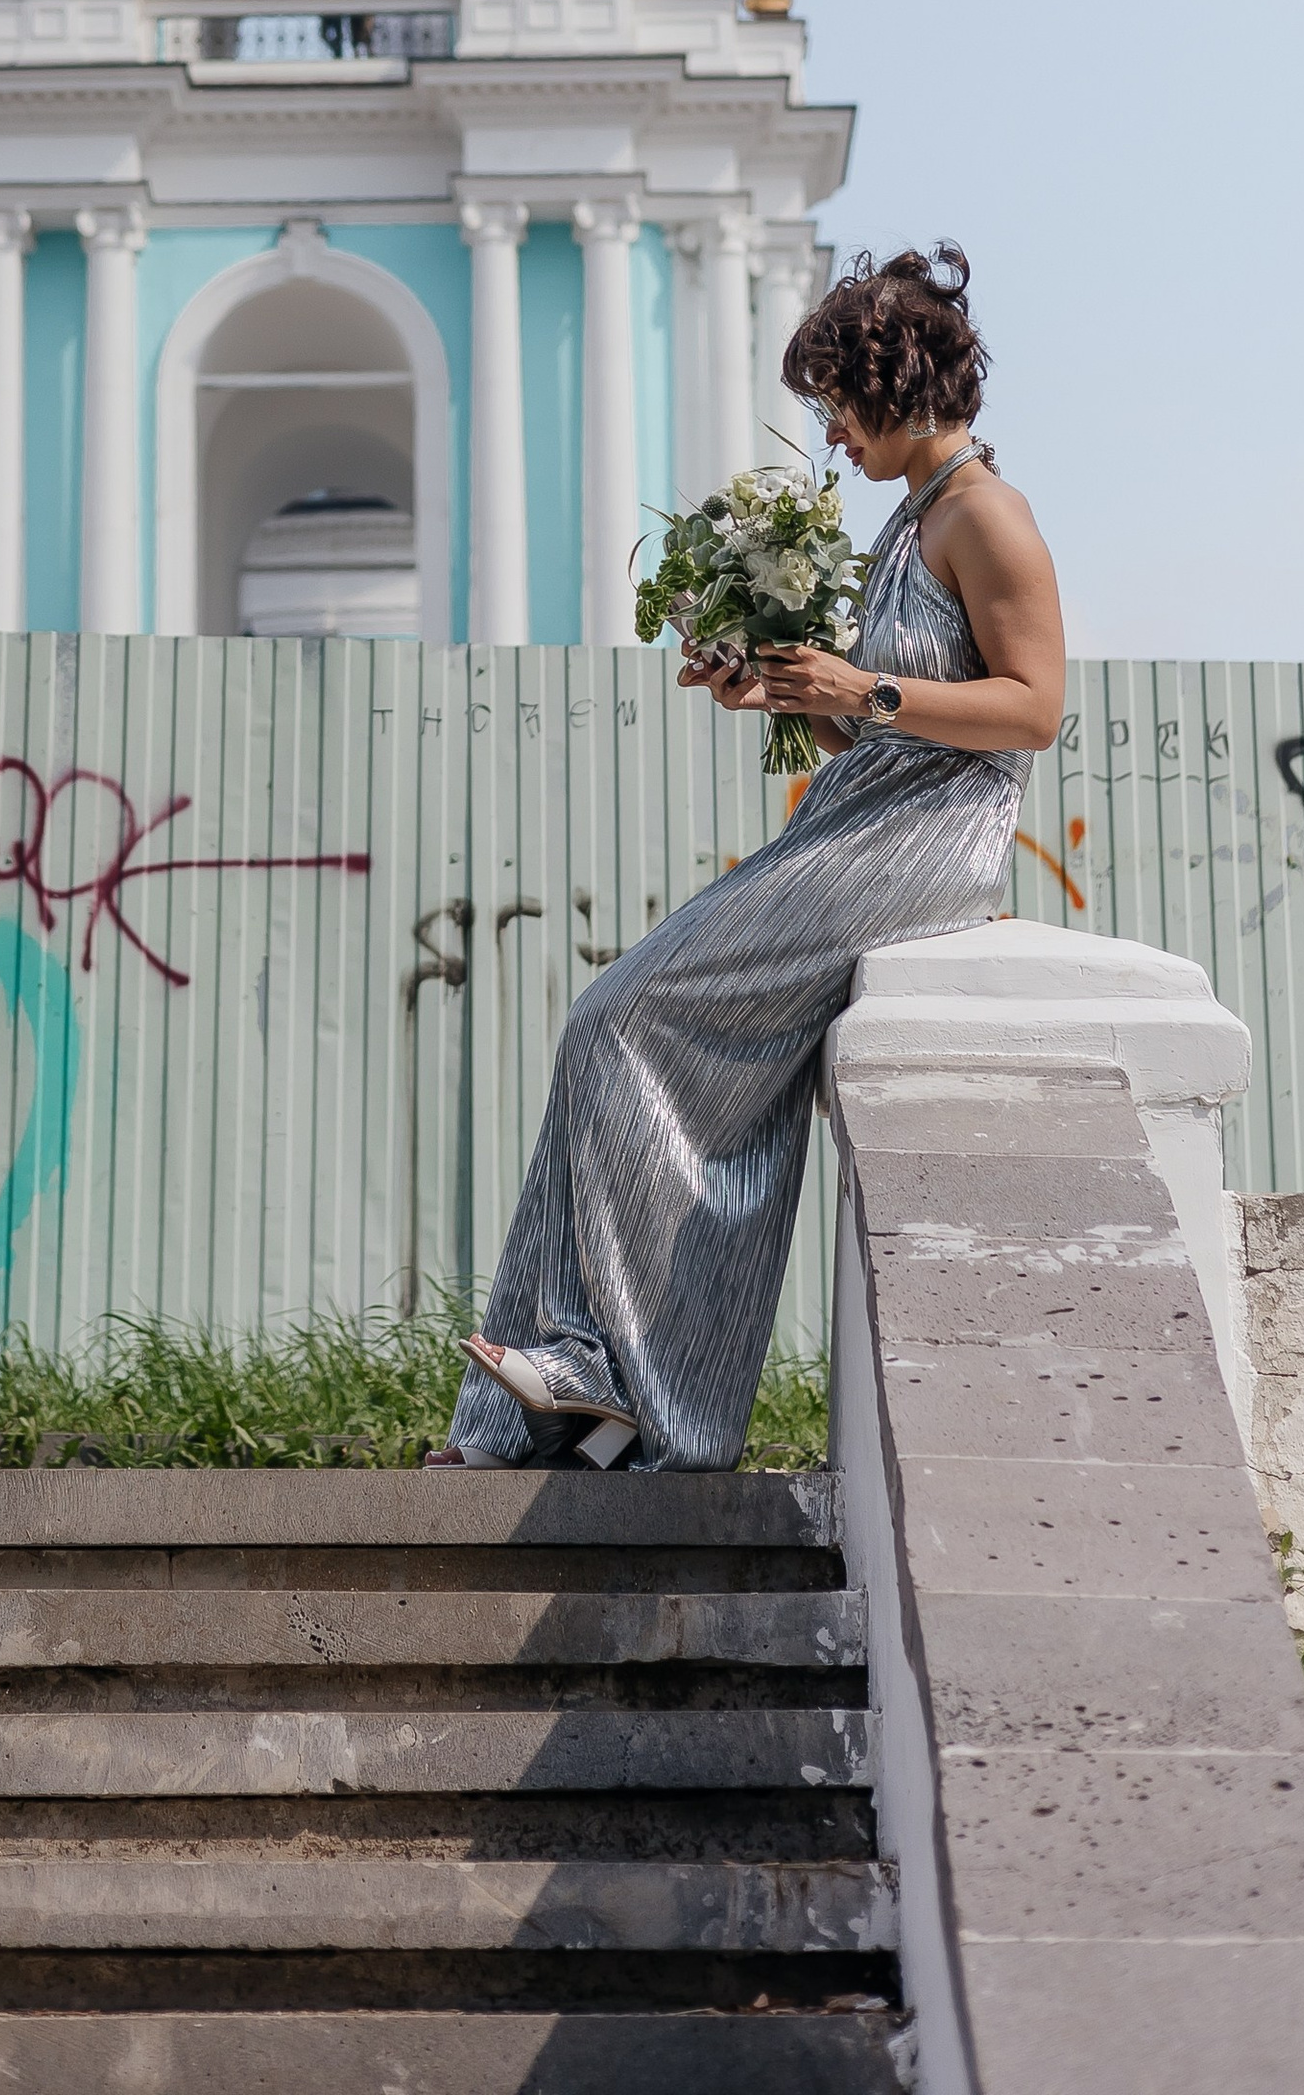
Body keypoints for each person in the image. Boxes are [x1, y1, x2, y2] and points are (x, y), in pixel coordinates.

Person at [436, 244, 1065, 1471]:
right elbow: (868, 718)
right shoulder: (912, 522)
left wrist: (859, 689)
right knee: (648, 1048)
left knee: (616, 1017)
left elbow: (1032, 712)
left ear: (892, 384)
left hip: (921, 841)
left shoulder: (986, 515)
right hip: (857, 812)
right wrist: (779, 690)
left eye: (836, 403)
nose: (828, 434)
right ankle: (562, 1407)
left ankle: (600, 1373)